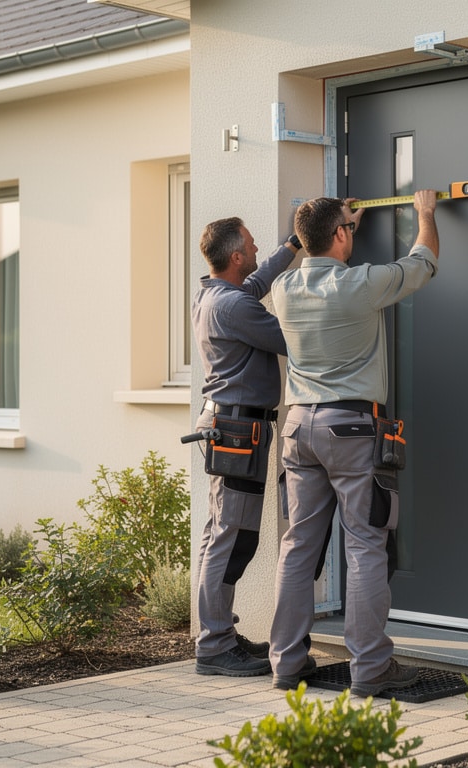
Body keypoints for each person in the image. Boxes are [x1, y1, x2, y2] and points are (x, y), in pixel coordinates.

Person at [268, 190, 441, 695]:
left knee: (298, 545)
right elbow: (422, 261)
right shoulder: (361, 285)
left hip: (298, 428)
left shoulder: (281, 287)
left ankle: (287, 663)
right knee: (366, 544)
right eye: (345, 227)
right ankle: (369, 670)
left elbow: (314, 253)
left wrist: (334, 231)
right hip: (351, 429)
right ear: (342, 235)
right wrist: (425, 214)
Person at [191, 216, 301, 677]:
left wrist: (294, 245)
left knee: (222, 534)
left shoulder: (217, 293)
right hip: (238, 430)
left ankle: (216, 633)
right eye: (252, 247)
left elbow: (257, 280)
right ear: (235, 256)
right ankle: (215, 645)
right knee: (230, 538)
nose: (258, 251)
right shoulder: (235, 308)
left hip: (231, 424)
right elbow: (289, 338)